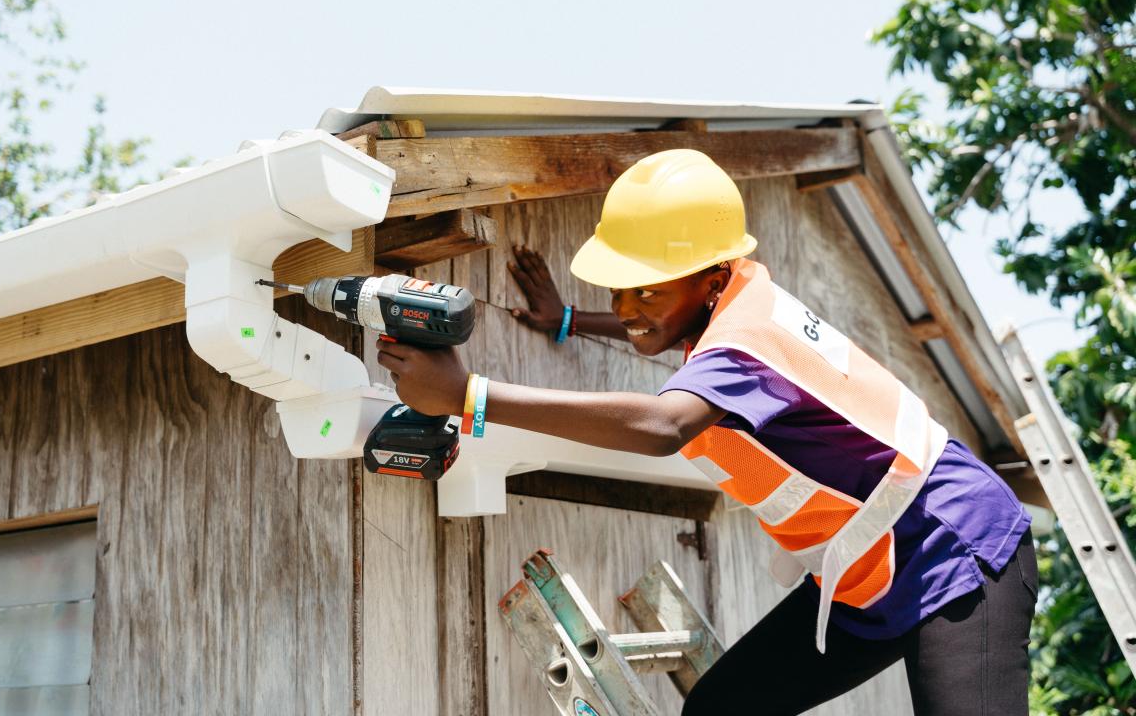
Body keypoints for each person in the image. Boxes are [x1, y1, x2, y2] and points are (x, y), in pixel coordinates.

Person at [376, 149, 1037, 715]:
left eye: (647, 293)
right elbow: (666, 326)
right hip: (868, 576)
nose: (629, 309)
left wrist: (467, 396)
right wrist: (572, 319)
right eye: (619, 290)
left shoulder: (747, 344)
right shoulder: (730, 309)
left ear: (714, 280)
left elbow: (667, 426)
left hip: (955, 548)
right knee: (720, 707)